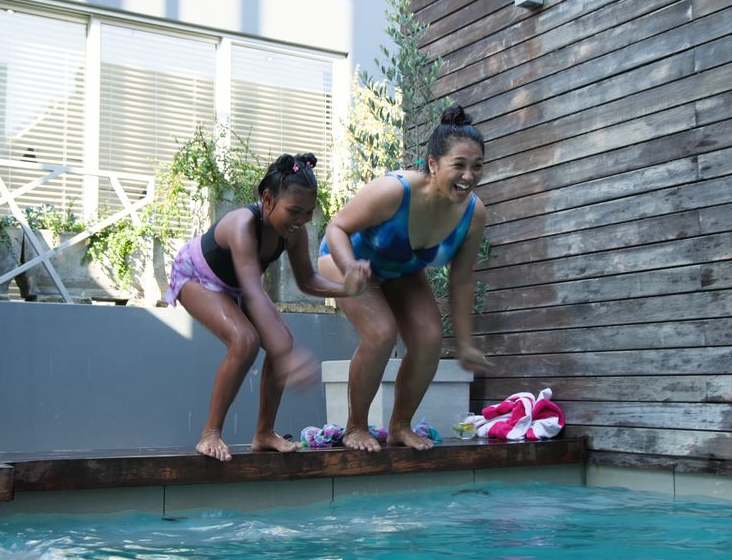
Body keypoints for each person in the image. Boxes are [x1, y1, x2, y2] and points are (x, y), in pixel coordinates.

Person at [165, 153, 371, 462]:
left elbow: (307, 280)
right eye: (295, 211)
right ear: (268, 199)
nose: (302, 220)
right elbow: (252, 289)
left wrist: (346, 288)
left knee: (283, 344)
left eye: (309, 213)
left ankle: (263, 433)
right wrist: (285, 352)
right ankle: (210, 433)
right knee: (244, 340)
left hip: (236, 284)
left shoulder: (294, 233)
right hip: (195, 276)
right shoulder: (242, 224)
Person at [318, 105, 495, 452]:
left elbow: (461, 280)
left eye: (477, 166)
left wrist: (466, 342)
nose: (469, 175)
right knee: (381, 333)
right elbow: (336, 227)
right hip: (347, 259)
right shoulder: (394, 191)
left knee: (429, 338)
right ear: (432, 164)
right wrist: (350, 267)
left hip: (401, 267)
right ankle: (355, 427)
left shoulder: (474, 213)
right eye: (459, 165)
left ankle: (400, 426)